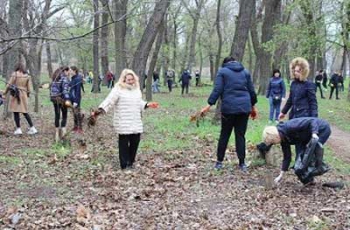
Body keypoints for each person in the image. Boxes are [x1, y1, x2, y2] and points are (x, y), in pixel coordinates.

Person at [90, 69, 159, 169]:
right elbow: (110, 101)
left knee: (135, 141)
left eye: (132, 79)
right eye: (128, 79)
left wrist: (147, 105)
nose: (131, 81)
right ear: (124, 79)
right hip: (123, 120)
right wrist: (99, 110)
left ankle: (130, 162)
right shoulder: (118, 89)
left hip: (135, 120)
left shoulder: (136, 90)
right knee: (124, 144)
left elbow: (139, 102)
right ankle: (124, 164)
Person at [201, 56, 258, 172]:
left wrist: (209, 105)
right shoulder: (245, 72)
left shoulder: (222, 71)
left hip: (229, 108)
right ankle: (242, 164)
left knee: (225, 134)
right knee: (240, 135)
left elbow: (217, 89)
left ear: (225, 64)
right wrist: (253, 107)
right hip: (244, 108)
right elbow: (251, 91)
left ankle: (219, 162)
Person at [262, 117, 331, 184]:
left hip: (321, 129)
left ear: (275, 136)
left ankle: (320, 167)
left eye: (273, 142)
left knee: (309, 155)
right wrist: (280, 175)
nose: (274, 144)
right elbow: (287, 157)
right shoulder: (283, 139)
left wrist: (314, 133)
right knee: (299, 164)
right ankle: (309, 180)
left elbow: (312, 121)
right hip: (306, 137)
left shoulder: (290, 126)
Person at [3, 63, 38, 135]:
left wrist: (5, 93)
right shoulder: (27, 76)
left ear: (17, 67)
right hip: (23, 95)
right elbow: (29, 89)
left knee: (16, 112)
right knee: (25, 112)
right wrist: (27, 95)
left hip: (16, 95)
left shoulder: (15, 74)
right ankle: (33, 128)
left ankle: (18, 129)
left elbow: (9, 84)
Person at [50, 66, 71, 142]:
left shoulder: (54, 77)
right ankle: (63, 133)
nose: (68, 73)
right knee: (64, 115)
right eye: (68, 71)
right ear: (65, 71)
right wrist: (68, 99)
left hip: (54, 99)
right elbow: (65, 90)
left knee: (57, 115)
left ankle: (56, 134)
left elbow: (51, 89)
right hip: (61, 99)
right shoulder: (64, 78)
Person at [70, 66, 84, 133]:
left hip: (76, 99)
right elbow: (70, 86)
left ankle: (80, 128)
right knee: (74, 113)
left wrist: (76, 101)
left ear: (74, 70)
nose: (70, 71)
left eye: (71, 70)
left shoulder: (78, 79)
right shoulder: (73, 78)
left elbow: (78, 91)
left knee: (77, 113)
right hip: (72, 98)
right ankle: (75, 126)